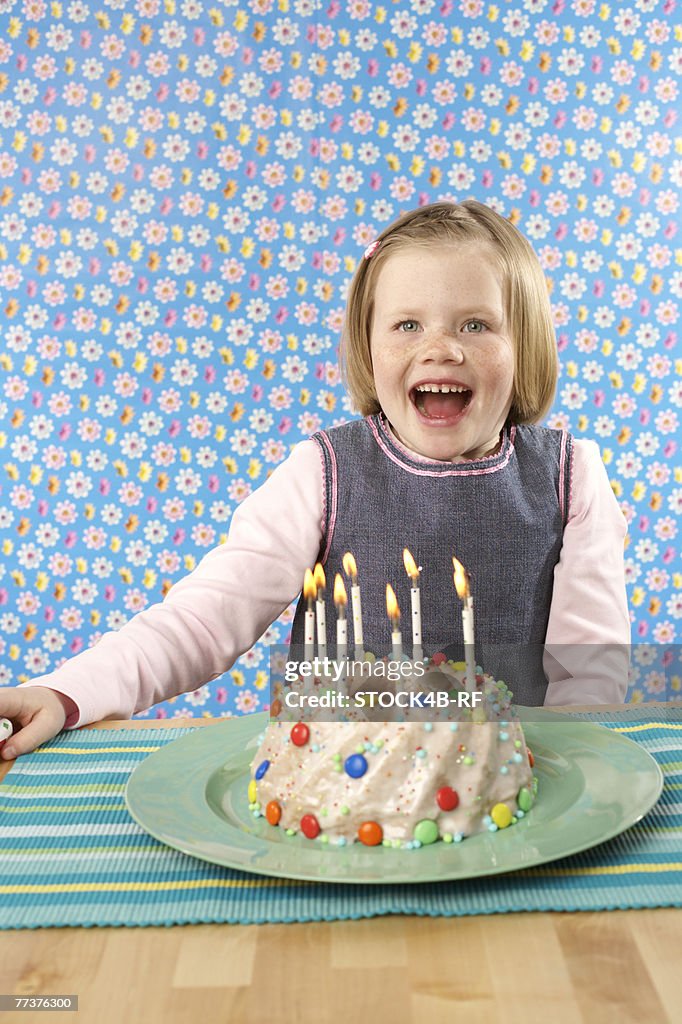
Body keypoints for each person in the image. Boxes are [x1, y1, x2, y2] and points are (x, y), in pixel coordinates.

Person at [0, 200, 630, 761]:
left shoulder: (570, 477)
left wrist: (563, 778)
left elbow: (590, 676)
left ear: (528, 346)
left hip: (509, 795)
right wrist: (65, 693)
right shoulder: (322, 474)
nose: (441, 348)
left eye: (476, 324)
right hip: (335, 793)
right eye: (408, 324)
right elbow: (199, 623)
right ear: (369, 344)